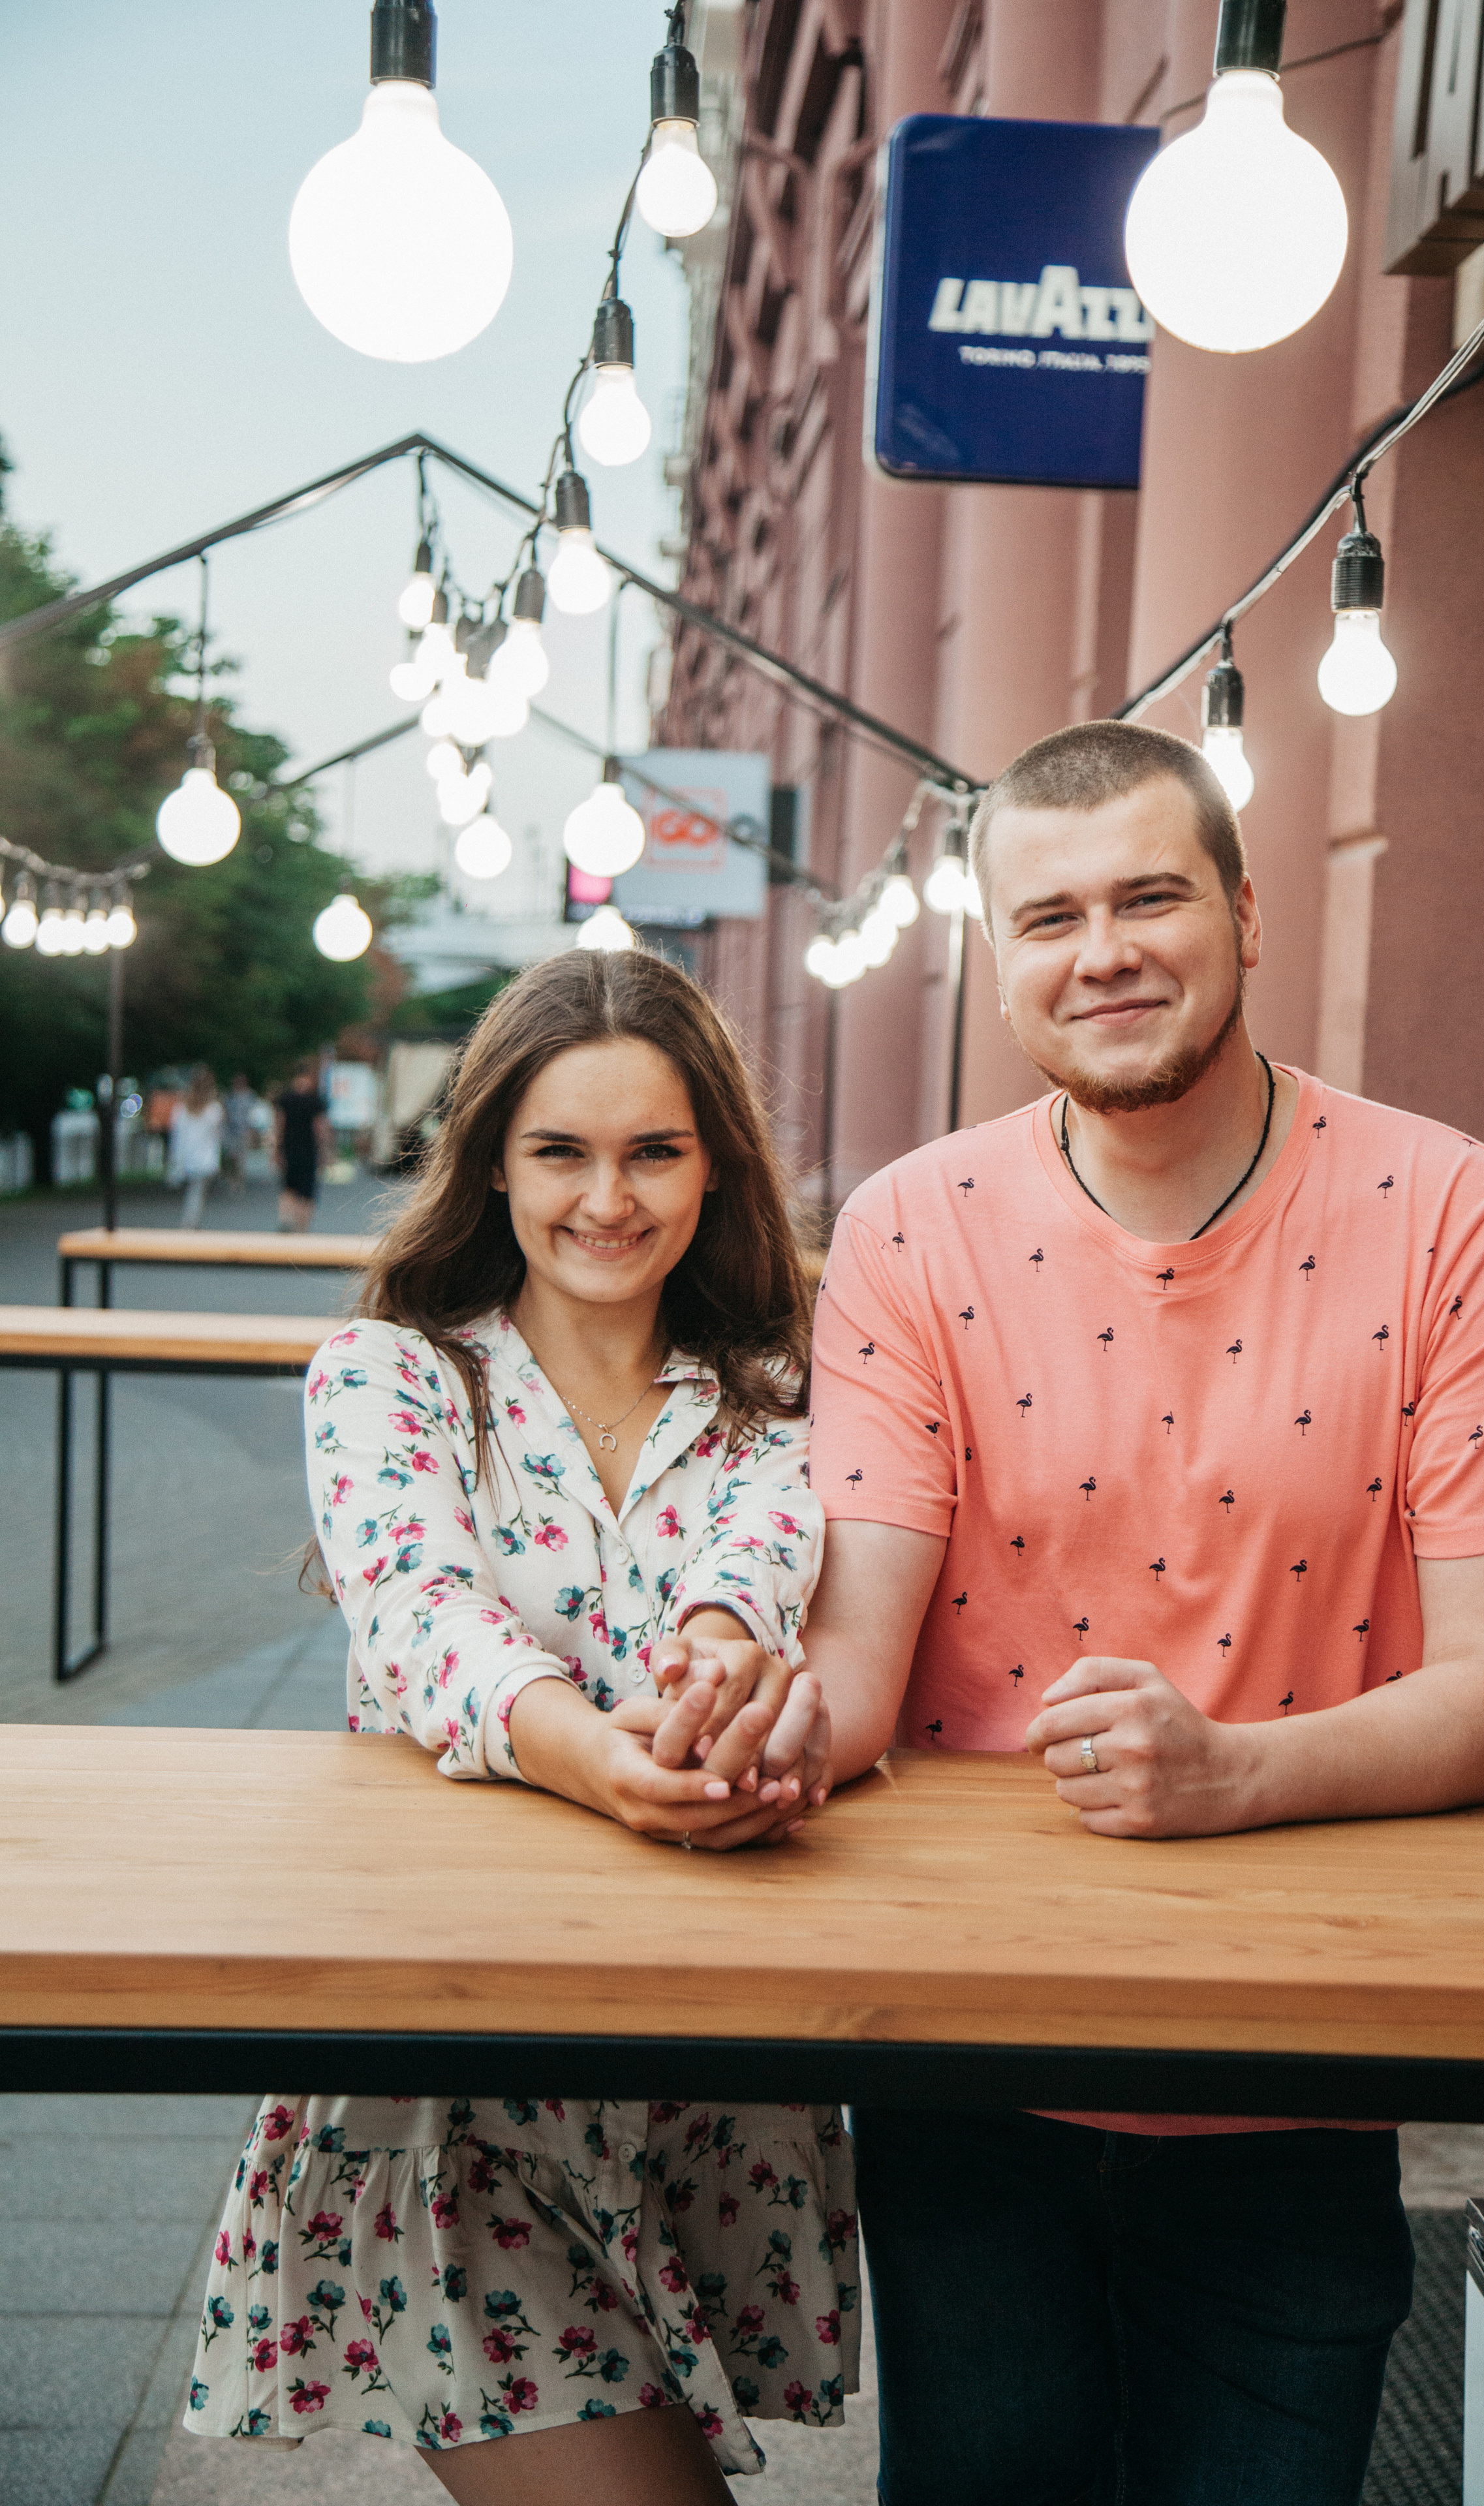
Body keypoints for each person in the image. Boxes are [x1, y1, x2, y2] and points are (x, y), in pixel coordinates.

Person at [762, 720, 1484, 2506]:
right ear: (1001, 963)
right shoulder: (911, 1231)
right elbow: (853, 1661)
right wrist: (740, 1720)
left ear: (1247, 913)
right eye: (1052, 916)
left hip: (1300, 2048)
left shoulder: (1464, 1215)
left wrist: (1233, 1776)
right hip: (963, 2054)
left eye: (1152, 896)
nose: (1106, 951)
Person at [183, 950, 856, 2501]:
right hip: (454, 2067)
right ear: (491, 1157)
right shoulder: (390, 1373)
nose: (605, 1196)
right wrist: (616, 1763)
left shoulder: (778, 1390)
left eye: (653, 1149)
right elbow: (425, 1625)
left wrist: (707, 1673)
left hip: (696, 2068)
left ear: (716, 1163)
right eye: (560, 1148)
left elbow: (748, 1578)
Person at [273, 1059, 333, 1232]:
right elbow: (319, 1128)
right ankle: (302, 1229)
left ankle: (286, 1218)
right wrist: (326, 1151)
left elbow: (279, 1126)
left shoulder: (285, 1099)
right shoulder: (315, 1101)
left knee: (288, 1187)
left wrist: (277, 1150)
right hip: (308, 1149)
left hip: (289, 1148)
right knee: (307, 1191)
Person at [166, 1064, 223, 1229]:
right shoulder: (214, 1109)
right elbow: (216, 1134)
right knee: (197, 1192)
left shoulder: (182, 1108)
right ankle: (190, 1223)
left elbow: (176, 1132)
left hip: (186, 1154)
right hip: (204, 1157)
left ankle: (190, 1222)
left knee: (193, 1191)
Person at [223, 1072, 258, 1195]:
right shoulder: (230, 1096)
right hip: (231, 1131)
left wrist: (252, 1131)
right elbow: (226, 1113)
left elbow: (253, 1115)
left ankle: (240, 1182)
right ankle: (233, 1181)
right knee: (232, 1157)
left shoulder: (250, 1096)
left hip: (244, 1131)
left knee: (241, 1159)